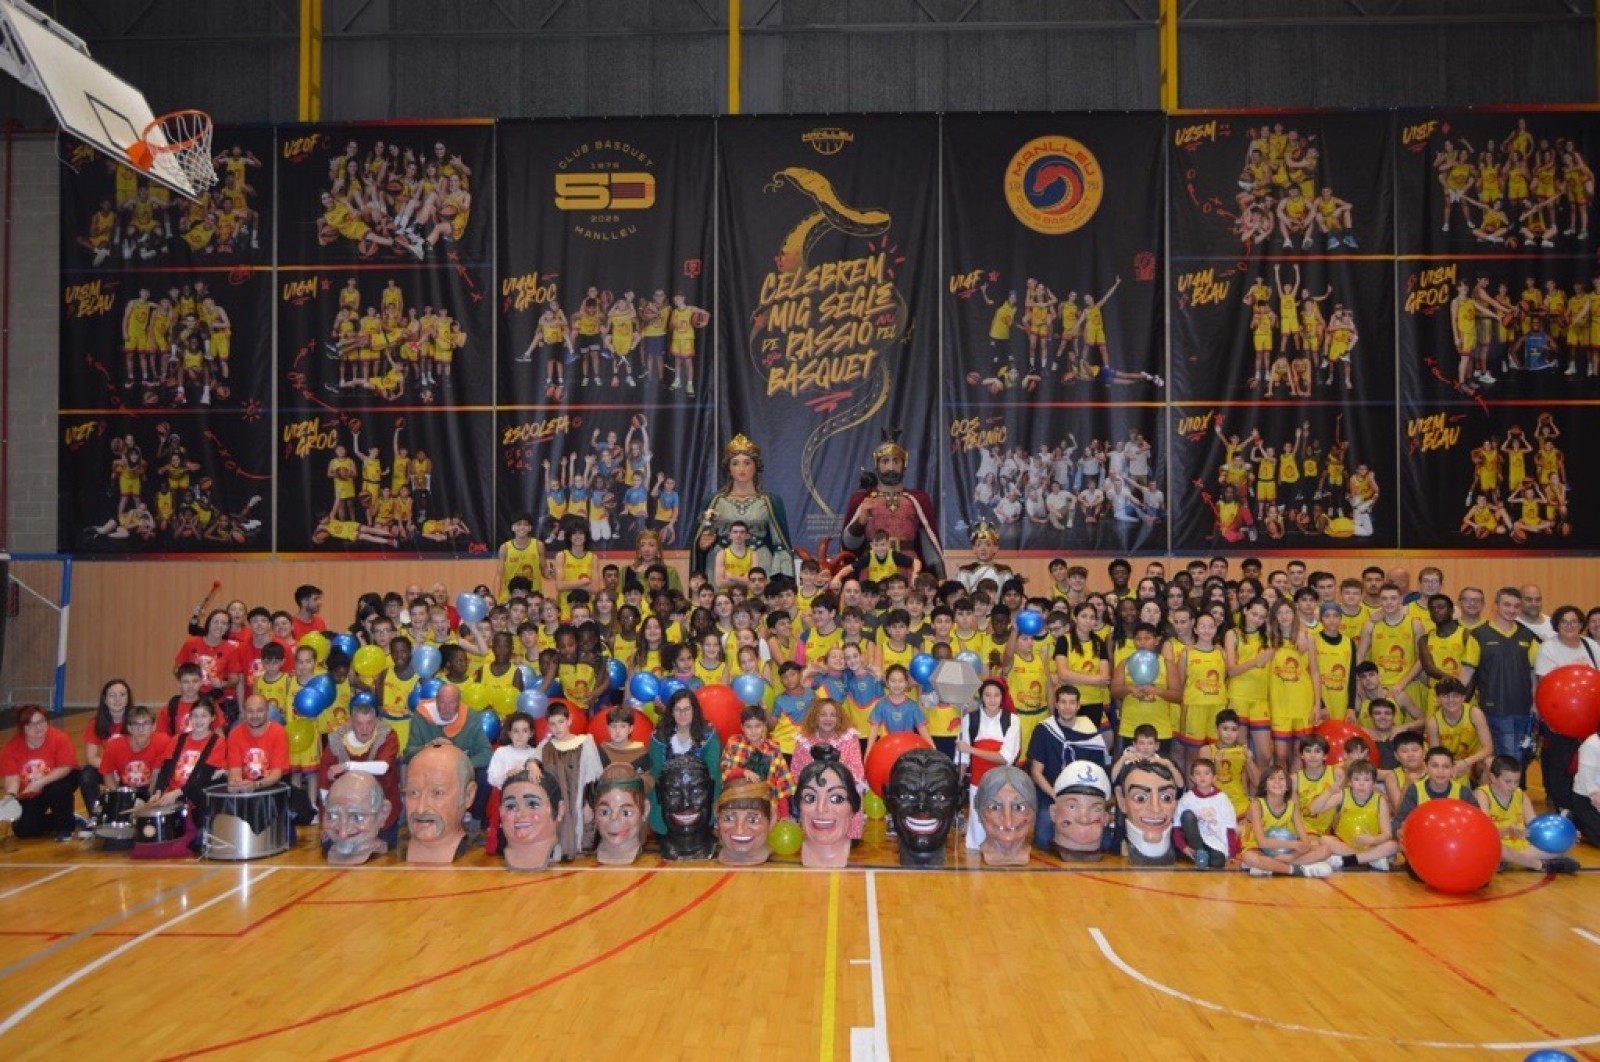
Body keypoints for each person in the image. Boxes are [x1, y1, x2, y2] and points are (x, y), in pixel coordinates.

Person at [839, 428, 945, 578]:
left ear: (904, 464)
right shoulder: (863, 499)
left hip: (907, 568)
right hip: (873, 569)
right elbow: (850, 545)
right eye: (885, 461)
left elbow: (929, 544)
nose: (891, 467)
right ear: (877, 464)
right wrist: (860, 522)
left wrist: (941, 578)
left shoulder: (917, 499)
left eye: (896, 461)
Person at [691, 434, 795, 582]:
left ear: (756, 466)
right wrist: (701, 545)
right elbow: (701, 537)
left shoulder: (769, 501)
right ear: (728, 468)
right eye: (735, 463)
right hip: (723, 562)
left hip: (759, 562)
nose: (741, 468)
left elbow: (780, 544)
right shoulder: (715, 500)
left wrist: (783, 581)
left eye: (747, 463)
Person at [1534, 604, 1600, 813]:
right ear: (1556, 624)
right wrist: (1551, 718)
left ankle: (1585, 807)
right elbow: (1544, 685)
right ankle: (1563, 806)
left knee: (1586, 763)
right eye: (1564, 622)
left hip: (1590, 719)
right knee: (1561, 763)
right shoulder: (1549, 648)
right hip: (1561, 719)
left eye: (1574, 622)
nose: (1569, 626)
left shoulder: (1591, 645)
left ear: (1581, 624)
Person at [1475, 754, 1580, 874]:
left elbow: (1535, 826)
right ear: (1493, 778)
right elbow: (1486, 833)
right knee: (1499, 851)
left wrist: (1566, 835)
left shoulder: (1520, 795)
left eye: (1516, 781)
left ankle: (1519, 861)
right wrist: (1508, 831)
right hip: (1498, 844)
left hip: (1522, 847)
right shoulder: (1482, 795)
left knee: (1563, 846)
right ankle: (1542, 865)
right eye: (1508, 781)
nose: (1513, 786)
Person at [319, 696, 401, 848]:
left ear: (375, 721)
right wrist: (327, 819)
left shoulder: (387, 735)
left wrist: (347, 766)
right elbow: (324, 782)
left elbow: (383, 767)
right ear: (351, 723)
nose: (365, 729)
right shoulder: (337, 741)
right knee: (330, 846)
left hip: (382, 806)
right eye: (359, 724)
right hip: (346, 812)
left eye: (369, 723)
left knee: (382, 846)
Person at [1471, 587, 1541, 762]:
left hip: (1524, 710)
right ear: (1496, 606)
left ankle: (1515, 789)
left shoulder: (1529, 636)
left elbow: (1534, 674)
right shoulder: (1479, 635)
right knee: (1510, 758)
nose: (1511, 610)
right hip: (1496, 710)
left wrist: (1535, 703)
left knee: (1523, 757)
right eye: (1507, 605)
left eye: (1516, 606)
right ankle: (1509, 789)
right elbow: (1467, 673)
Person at [404, 683, 492, 824]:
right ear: (436, 701)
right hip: (430, 769)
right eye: (442, 703)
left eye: (451, 703)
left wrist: (461, 764)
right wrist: (427, 747)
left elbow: (486, 753)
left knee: (485, 775)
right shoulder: (421, 716)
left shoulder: (471, 717)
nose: (446, 708)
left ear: (459, 703)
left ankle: (475, 819)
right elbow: (408, 753)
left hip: (461, 767)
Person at [646, 689, 723, 837]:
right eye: (678, 709)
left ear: (694, 710)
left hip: (699, 790)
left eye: (687, 709)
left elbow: (711, 770)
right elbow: (656, 770)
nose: (683, 714)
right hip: (671, 791)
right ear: (671, 711)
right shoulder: (659, 735)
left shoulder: (708, 733)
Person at [0, 705, 81, 840]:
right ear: (22, 728)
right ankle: (66, 818)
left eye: (41, 722)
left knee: (58, 789)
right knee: (24, 829)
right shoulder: (11, 748)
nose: (38, 727)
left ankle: (65, 828)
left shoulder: (59, 738)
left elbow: (65, 768)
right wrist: (10, 797)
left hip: (58, 780)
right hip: (32, 793)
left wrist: (42, 782)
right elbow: (13, 779)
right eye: (31, 724)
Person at [790, 697, 866, 840]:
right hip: (814, 792)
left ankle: (850, 833)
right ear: (815, 717)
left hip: (841, 789)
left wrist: (837, 774)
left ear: (839, 718)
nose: (828, 719)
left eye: (833, 715)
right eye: (823, 714)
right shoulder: (804, 741)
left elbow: (857, 769)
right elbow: (796, 769)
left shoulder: (849, 739)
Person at [1239, 765, 1334, 877]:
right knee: (1250, 858)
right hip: (1258, 849)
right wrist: (1293, 844)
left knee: (1325, 850)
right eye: (1272, 778)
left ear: (1287, 786)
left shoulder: (1292, 807)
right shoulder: (1256, 805)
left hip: (1286, 852)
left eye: (1281, 778)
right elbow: (1262, 842)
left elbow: (1306, 842)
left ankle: (1269, 866)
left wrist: (1291, 856)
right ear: (1265, 786)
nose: (1277, 782)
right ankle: (1296, 870)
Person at [534, 702, 602, 859]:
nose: (557, 728)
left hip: (578, 798)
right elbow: (533, 760)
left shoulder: (585, 743)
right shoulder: (545, 746)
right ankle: (558, 848)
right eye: (552, 724)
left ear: (569, 720)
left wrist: (588, 804)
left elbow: (592, 778)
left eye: (561, 722)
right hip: (557, 800)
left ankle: (576, 845)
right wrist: (532, 764)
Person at [81, 678, 132, 817]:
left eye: (122, 695)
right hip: (110, 769)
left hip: (134, 769)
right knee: (87, 773)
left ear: (128, 698)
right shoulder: (96, 724)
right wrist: (110, 769)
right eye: (112, 695)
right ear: (104, 699)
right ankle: (96, 816)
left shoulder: (137, 720)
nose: (117, 699)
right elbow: (91, 757)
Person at [1174, 758, 1237, 869]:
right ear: (1192, 778)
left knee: (1218, 862)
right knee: (1187, 815)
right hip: (1195, 842)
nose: (1202, 777)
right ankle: (1200, 853)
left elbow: (1230, 828)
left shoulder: (1222, 798)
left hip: (1215, 841)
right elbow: (1177, 827)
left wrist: (1232, 854)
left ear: (1214, 777)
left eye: (1206, 773)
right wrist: (1183, 846)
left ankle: (1204, 857)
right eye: (1198, 773)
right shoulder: (1187, 799)